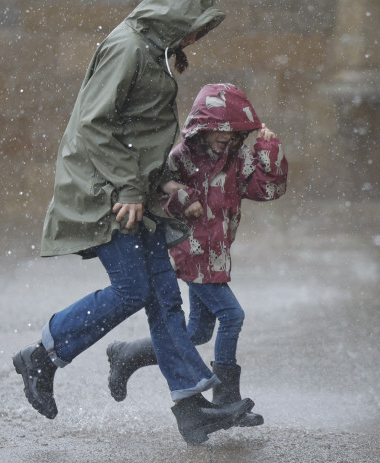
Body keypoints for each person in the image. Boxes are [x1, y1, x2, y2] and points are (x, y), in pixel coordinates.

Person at [11, 1, 255, 446]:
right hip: (104, 193)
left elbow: (139, 135)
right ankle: (42, 354)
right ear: (174, 18)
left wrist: (161, 184)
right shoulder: (128, 47)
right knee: (133, 290)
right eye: (195, 29)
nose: (195, 39)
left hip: (134, 197)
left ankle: (192, 409)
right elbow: (95, 124)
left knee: (164, 299)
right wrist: (127, 187)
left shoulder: (153, 50)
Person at [106, 83, 288, 427]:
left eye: (235, 133)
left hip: (215, 256)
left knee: (198, 333)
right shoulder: (182, 157)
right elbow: (157, 193)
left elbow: (268, 189)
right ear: (203, 127)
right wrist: (182, 198)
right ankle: (227, 398)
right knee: (232, 316)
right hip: (188, 251)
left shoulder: (238, 159)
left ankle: (127, 354)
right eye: (221, 131)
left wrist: (269, 149)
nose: (228, 139)